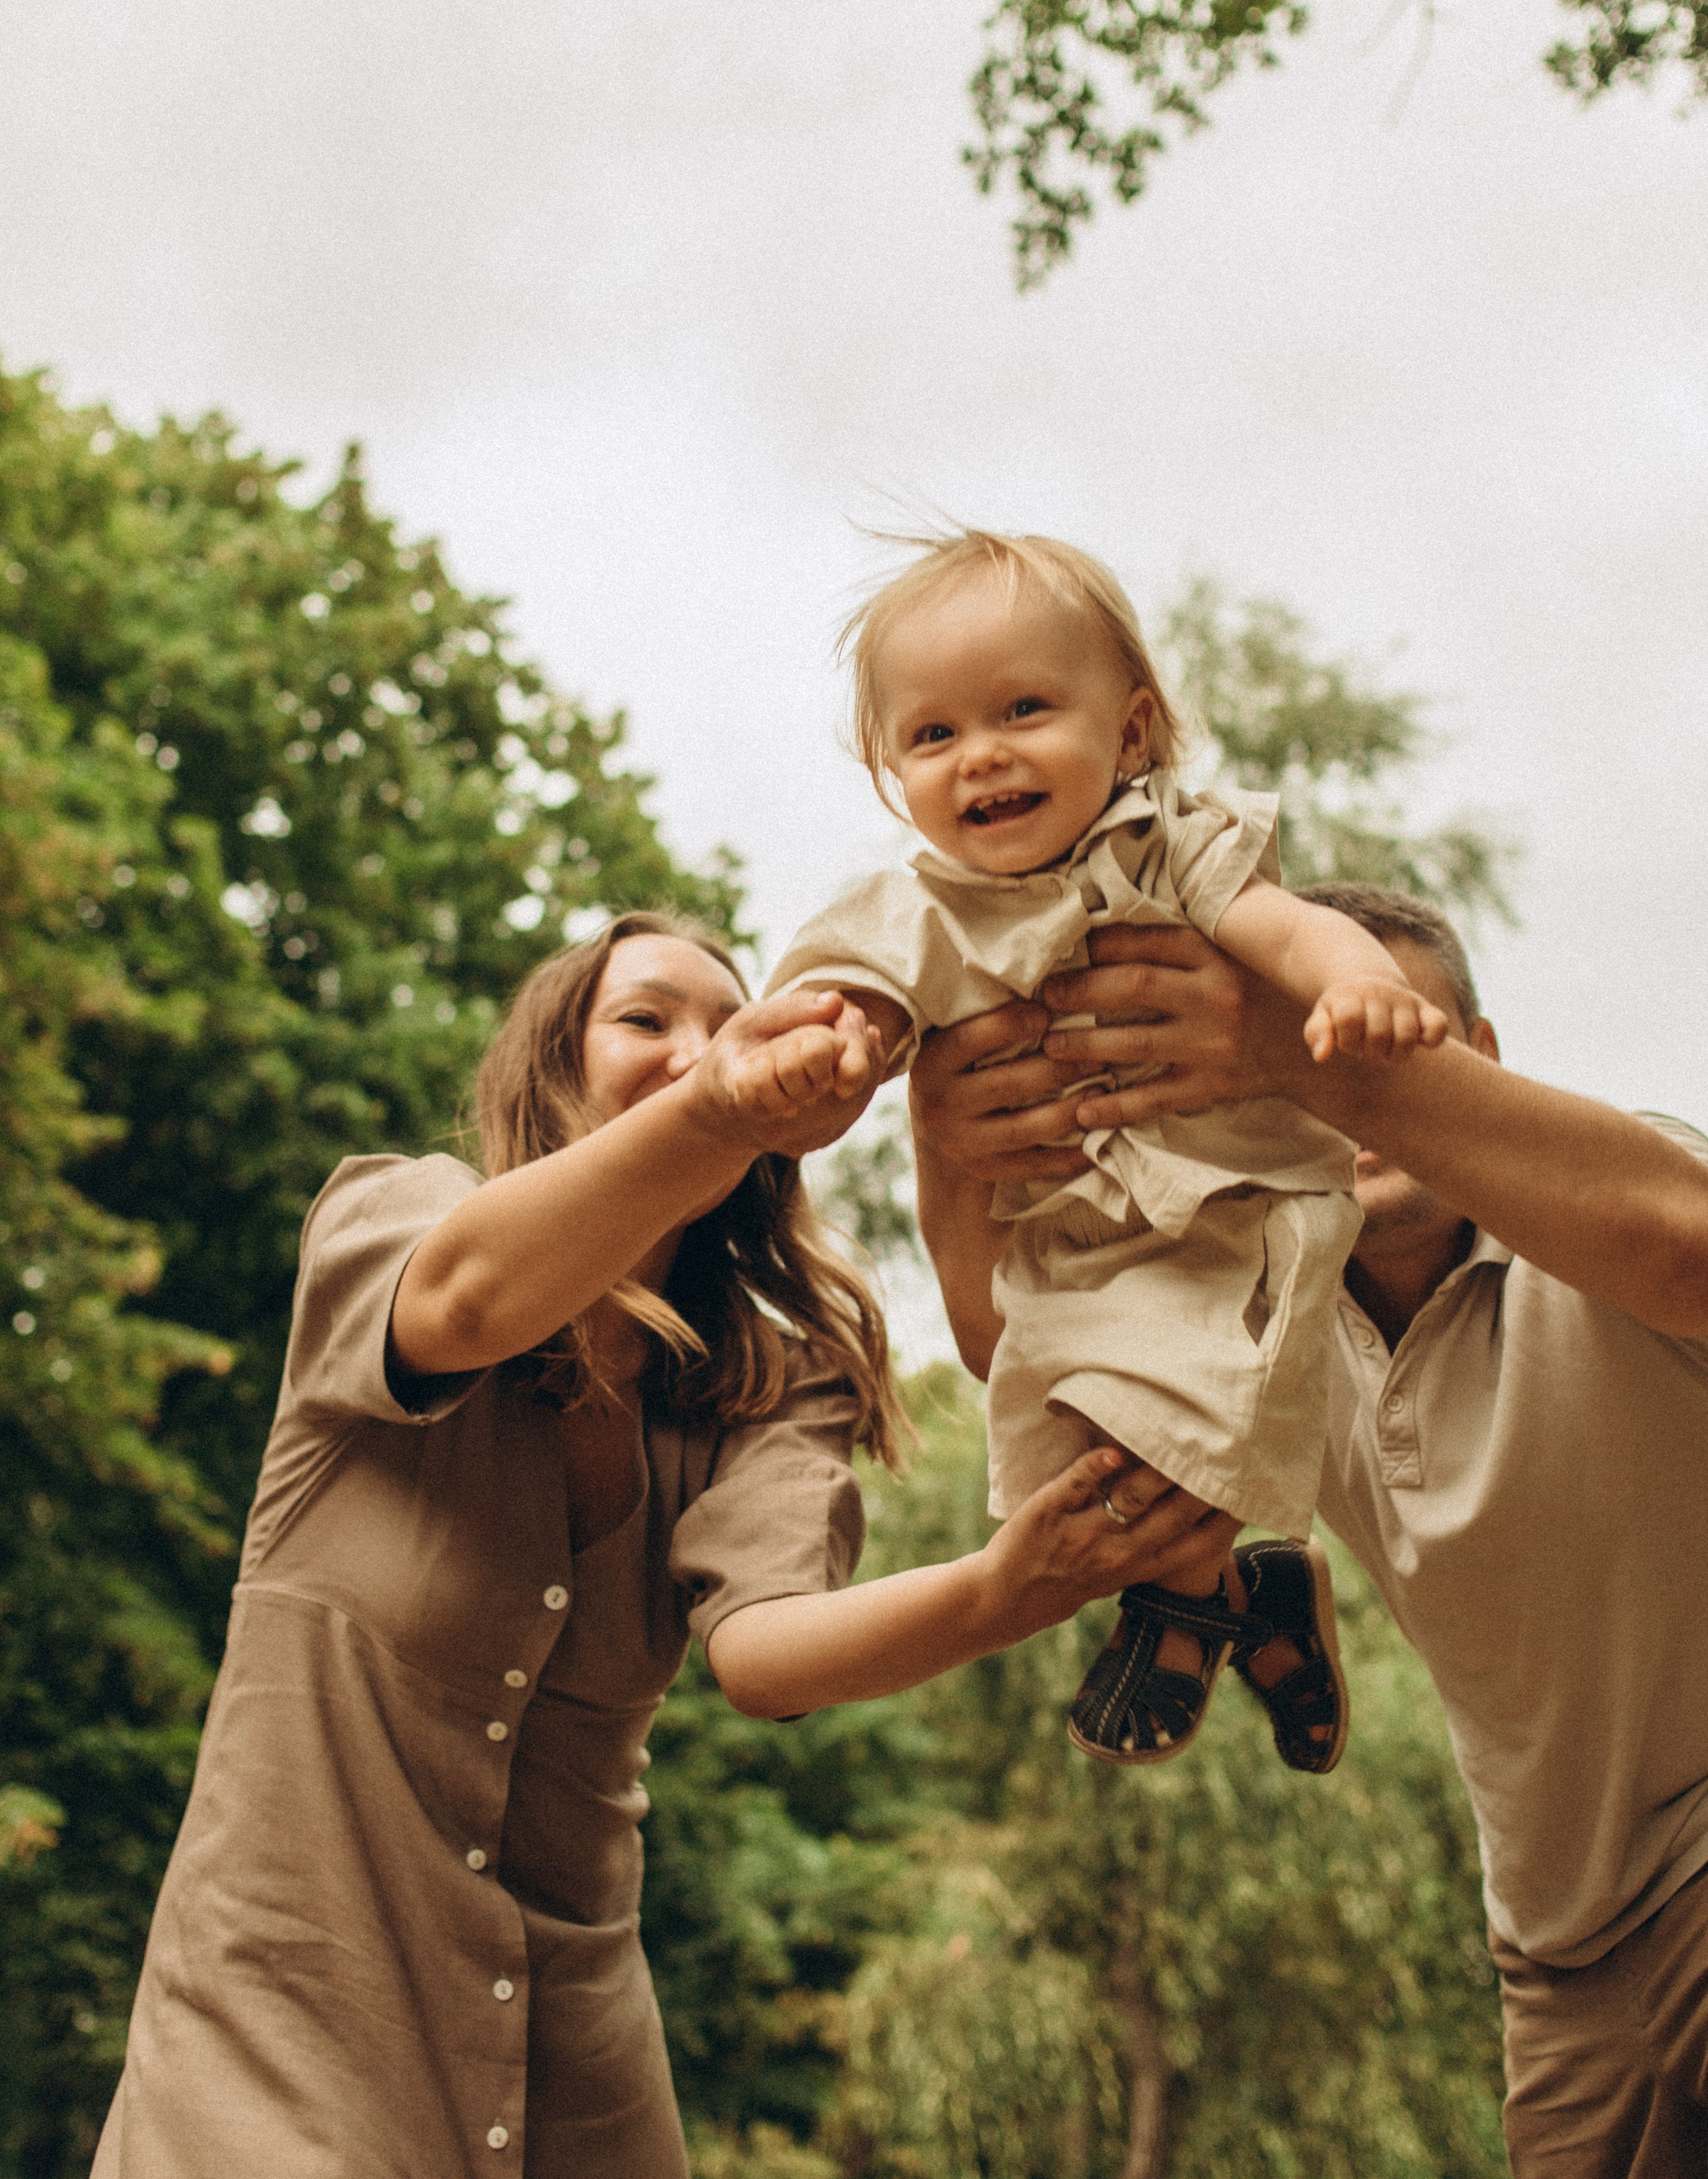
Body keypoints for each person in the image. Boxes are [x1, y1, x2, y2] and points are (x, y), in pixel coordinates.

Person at [92, 909, 1222, 2179]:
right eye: (646, 1021)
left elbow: (768, 1658)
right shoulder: (396, 1219)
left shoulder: (775, 1384)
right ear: (552, 1071)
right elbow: (470, 1298)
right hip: (283, 2038)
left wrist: (1011, 1587)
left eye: (728, 1025)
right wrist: (726, 1107)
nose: (702, 1049)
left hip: (581, 2067)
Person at [909, 886, 1708, 2179]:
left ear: (1480, 1062)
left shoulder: (1595, 1194)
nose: (1337, 1091)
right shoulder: (1264, 1311)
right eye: (1288, 1066)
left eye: (1382, 1047)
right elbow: (1028, 1369)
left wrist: (1312, 1048)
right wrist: (947, 1150)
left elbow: (1682, 1252)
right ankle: (1246, 1581)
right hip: (1560, 1934)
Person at [767, 529, 1444, 1766]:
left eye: (1024, 709)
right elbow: (848, 994)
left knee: (1158, 1439)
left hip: (1220, 1225)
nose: (983, 754)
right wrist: (834, 1044)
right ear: (891, 776)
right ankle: (1256, 1598)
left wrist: (1353, 986)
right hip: (1067, 1254)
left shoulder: (1169, 850)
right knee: (1063, 1484)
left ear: (1130, 735)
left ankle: (1188, 1612)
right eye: (934, 735)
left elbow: (1287, 929)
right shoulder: (915, 914)